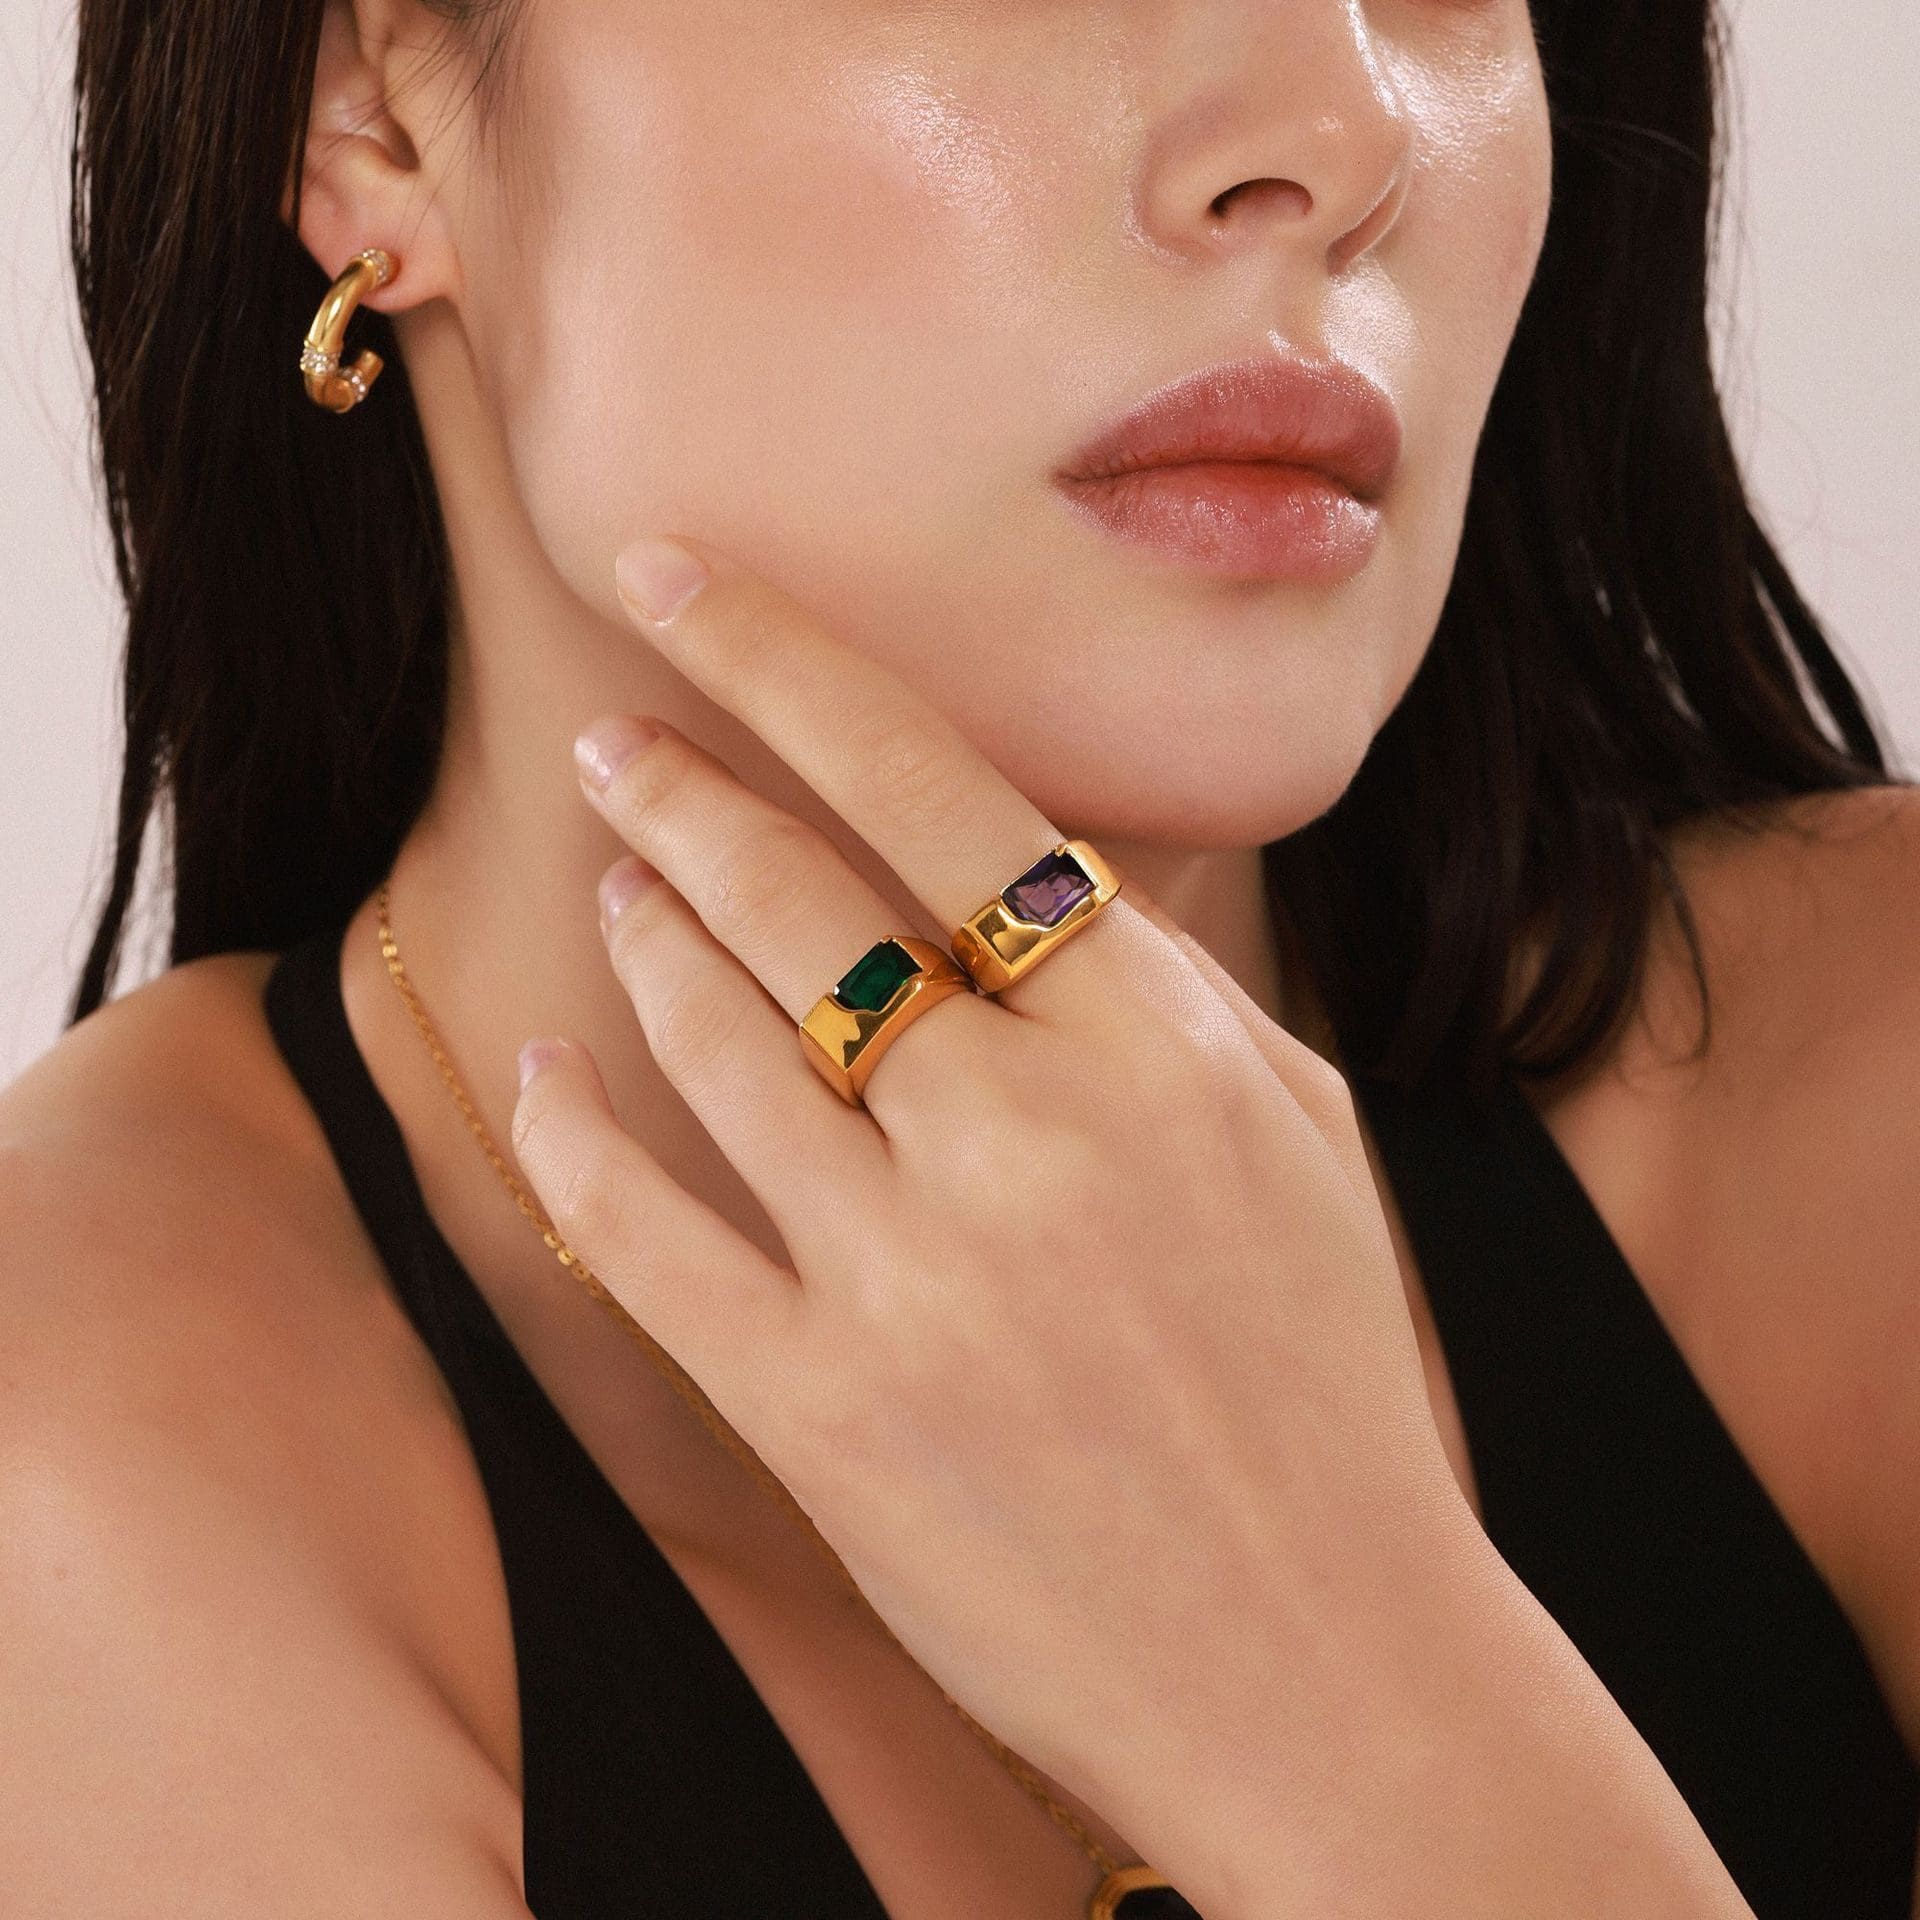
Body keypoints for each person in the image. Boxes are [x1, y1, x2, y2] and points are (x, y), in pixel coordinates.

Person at [3, 0, 1915, 1912]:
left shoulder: (1865, 1131)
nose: (1341, 128)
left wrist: (1355, 1695)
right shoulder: (84, 1503)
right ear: (375, 116)